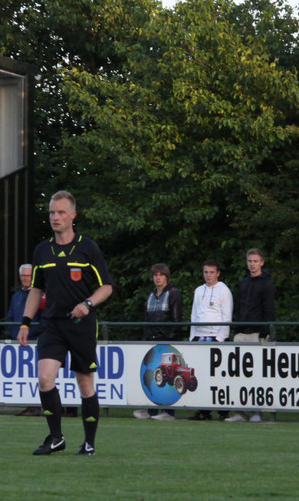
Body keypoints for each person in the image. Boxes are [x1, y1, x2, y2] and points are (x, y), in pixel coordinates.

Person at [18, 191, 114, 456]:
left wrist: (88, 304)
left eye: (61, 212)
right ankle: (56, 438)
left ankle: (89, 443)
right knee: (44, 378)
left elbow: (107, 286)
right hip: (52, 325)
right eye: (52, 212)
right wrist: (25, 323)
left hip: (81, 325)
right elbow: (36, 289)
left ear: (73, 215)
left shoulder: (87, 248)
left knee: (85, 383)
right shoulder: (42, 250)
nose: (55, 217)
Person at [231, 248, 276, 421]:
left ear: (262, 263)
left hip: (258, 334)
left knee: (258, 374)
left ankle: (258, 411)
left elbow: (269, 310)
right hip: (241, 333)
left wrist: (264, 333)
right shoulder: (243, 283)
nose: (252, 264)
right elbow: (238, 307)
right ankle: (241, 412)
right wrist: (236, 329)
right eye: (250, 261)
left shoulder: (267, 284)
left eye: (255, 261)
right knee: (240, 375)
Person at [134, 263, 183, 420]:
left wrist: (168, 340)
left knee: (168, 377)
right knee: (152, 376)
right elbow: (147, 321)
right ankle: (152, 411)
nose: (158, 277)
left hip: (166, 342)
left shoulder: (173, 294)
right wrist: (146, 339)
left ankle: (168, 412)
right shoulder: (151, 295)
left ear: (166, 277)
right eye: (155, 275)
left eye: (161, 275)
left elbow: (176, 321)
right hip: (151, 342)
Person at [189, 260, 233, 420]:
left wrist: (220, 339)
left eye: (211, 272)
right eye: (206, 272)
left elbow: (227, 316)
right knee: (200, 376)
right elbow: (194, 315)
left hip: (216, 337)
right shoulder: (198, 290)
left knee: (218, 377)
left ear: (218, 273)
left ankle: (223, 412)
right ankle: (203, 411)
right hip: (199, 337)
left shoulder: (224, 291)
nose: (208, 275)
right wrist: (192, 337)